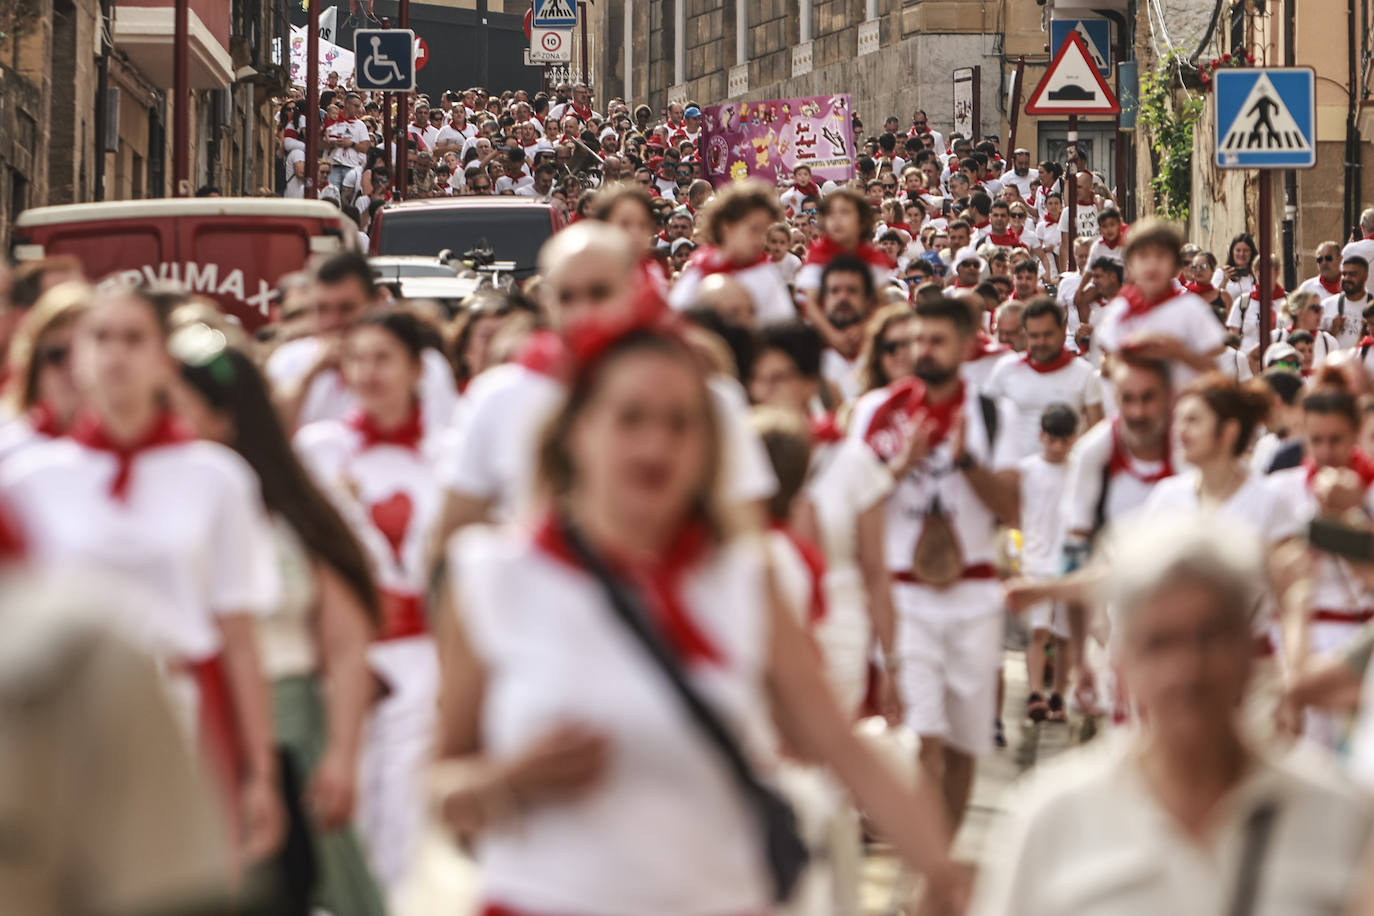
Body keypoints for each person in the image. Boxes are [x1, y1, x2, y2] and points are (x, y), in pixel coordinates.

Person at [435, 322, 965, 915]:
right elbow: (439, 790)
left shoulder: (744, 578)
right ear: (578, 430)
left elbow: (841, 747)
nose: (655, 446)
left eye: (680, 423)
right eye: (630, 418)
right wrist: (507, 781)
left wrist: (942, 874)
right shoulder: (495, 575)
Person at [0, 281, 284, 869]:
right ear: (77, 357)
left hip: (187, 705)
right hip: (67, 714)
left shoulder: (217, 478)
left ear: (163, 360)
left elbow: (238, 632)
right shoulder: (28, 481)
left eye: (134, 339)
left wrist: (260, 769)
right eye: (100, 338)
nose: (116, 354)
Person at [972, 518, 1374, 916]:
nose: (1187, 669)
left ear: (1248, 653)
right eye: (1160, 644)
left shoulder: (1338, 816)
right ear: (1123, 663)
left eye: (1210, 637)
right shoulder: (1052, 818)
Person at [169, 326, 387, 916]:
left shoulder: (294, 513)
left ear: (226, 417)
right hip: (188, 742)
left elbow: (346, 646)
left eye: (176, 406)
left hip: (293, 739)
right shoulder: (152, 509)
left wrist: (343, 753)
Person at [854, 296, 1018, 833]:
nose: (922, 351)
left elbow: (1016, 508)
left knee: (965, 742)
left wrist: (967, 461)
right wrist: (903, 464)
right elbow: (854, 504)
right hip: (905, 597)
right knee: (921, 734)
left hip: (973, 595)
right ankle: (927, 871)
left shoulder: (995, 415)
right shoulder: (879, 411)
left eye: (935, 341)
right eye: (917, 340)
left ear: (967, 347)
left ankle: (938, 862)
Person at [1271, 368, 1374, 747]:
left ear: (1356, 434)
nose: (1327, 452)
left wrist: (1354, 515)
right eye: (1316, 440)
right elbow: (1274, 576)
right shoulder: (1282, 490)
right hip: (1300, 636)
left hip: (1361, 641)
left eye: (1337, 440)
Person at [265, 251, 458, 432]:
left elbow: (442, 441)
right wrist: (311, 374)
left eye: (346, 308)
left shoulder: (426, 365)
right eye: (322, 309)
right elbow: (271, 438)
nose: (332, 321)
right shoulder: (287, 361)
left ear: (376, 303)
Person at [1094, 219, 1227, 388]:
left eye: (1161, 255)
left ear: (1175, 265)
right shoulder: (1120, 310)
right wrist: (1129, 354)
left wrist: (1179, 352)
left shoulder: (1190, 308)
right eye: (1143, 256)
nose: (1152, 264)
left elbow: (1214, 369)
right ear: (1130, 265)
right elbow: (1106, 367)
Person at [1014, 404, 1079, 723]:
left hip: (1067, 561)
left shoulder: (1078, 470)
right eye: (1051, 439)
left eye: (1063, 440)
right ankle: (1036, 692)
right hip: (1035, 559)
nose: (1056, 447)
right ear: (1041, 436)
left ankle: (1059, 696)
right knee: (1039, 630)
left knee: (1064, 634)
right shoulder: (1026, 470)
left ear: (1072, 439)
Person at [985, 296, 1104, 459]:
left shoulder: (1085, 374)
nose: (1041, 342)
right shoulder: (1005, 369)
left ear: (1063, 331)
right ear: (1025, 334)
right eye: (1034, 336)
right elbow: (986, 424)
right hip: (1015, 475)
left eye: (1048, 335)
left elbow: (1097, 433)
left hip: (1068, 476)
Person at [668, 181, 795, 325]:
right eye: (753, 230)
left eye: (764, 232)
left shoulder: (765, 274)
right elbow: (675, 322)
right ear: (726, 227)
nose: (760, 241)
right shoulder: (700, 268)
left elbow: (782, 327)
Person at [0, 281, 88, 464]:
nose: (72, 367)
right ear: (34, 367)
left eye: (84, 353)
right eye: (56, 355)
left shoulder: (145, 454)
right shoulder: (7, 451)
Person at [1321, 254, 1370, 351]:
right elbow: (1314, 344)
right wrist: (1332, 331)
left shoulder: (1371, 306)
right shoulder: (1326, 305)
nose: (1346, 278)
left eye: (1352, 274)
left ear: (1365, 276)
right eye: (1344, 274)